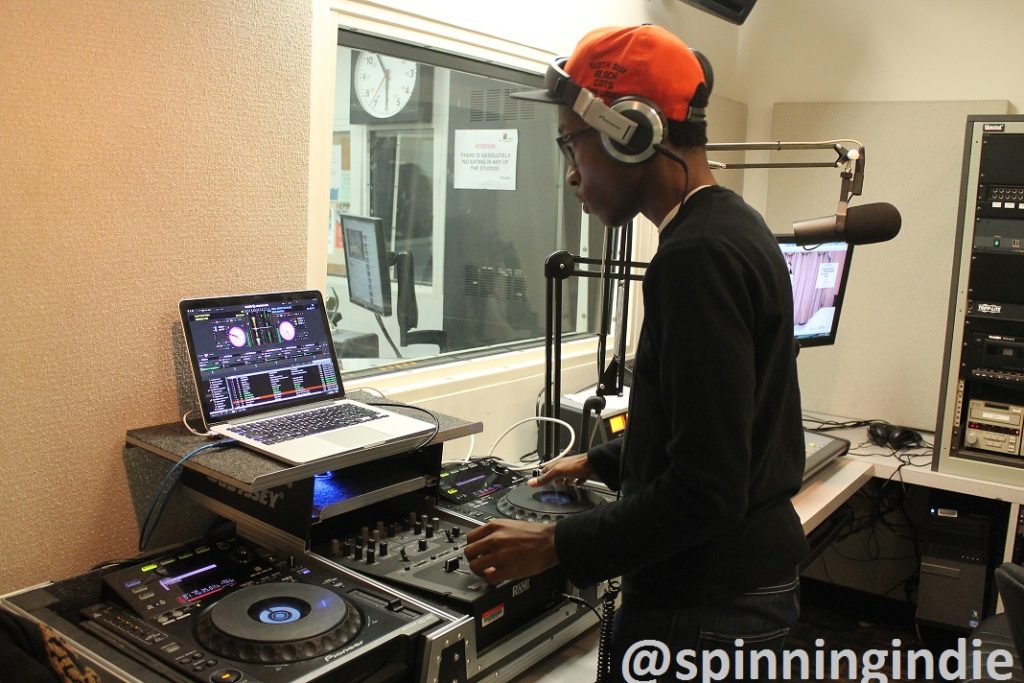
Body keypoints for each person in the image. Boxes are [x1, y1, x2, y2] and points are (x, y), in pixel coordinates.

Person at [463, 24, 810, 681]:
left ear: (630, 132)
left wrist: (556, 544)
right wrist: (601, 457)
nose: (570, 173)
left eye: (573, 144)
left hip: (704, 609)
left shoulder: (695, 257)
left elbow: (707, 489)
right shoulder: (734, 224)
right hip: (741, 589)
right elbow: (713, 424)